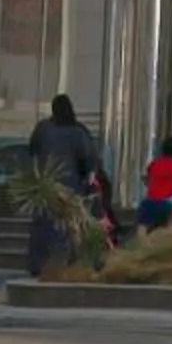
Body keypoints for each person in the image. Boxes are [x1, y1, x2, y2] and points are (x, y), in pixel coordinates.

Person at [26, 94, 107, 276]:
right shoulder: (78, 132)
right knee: (70, 226)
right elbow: (89, 162)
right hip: (72, 187)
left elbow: (33, 154)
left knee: (44, 227)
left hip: (47, 186)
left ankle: (40, 264)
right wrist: (89, 182)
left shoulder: (43, 129)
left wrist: (38, 178)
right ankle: (69, 262)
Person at [139, 136, 172, 235]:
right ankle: (169, 240)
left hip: (150, 200)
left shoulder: (154, 163)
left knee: (142, 224)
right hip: (166, 202)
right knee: (170, 222)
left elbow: (149, 180)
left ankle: (140, 243)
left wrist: (146, 181)